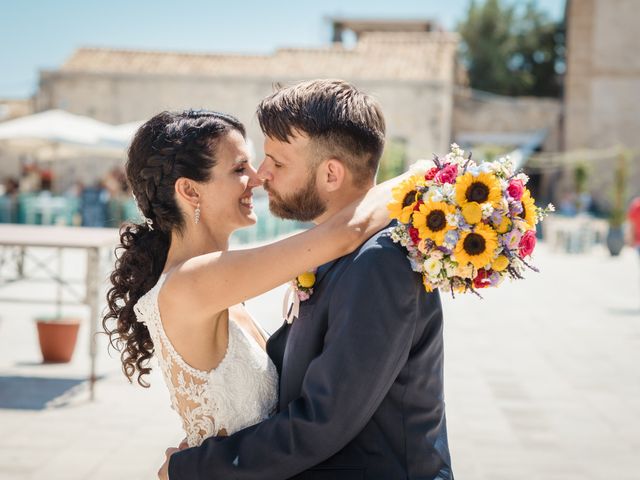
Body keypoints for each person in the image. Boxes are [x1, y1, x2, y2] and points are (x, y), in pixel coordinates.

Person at [160, 80, 453, 479]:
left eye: (277, 162)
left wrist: (196, 468)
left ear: (331, 173)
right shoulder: (333, 252)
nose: (261, 176)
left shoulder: (380, 262)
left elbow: (322, 421)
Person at [102, 107, 402, 454]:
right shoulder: (194, 280)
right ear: (190, 191)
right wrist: (424, 178)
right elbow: (348, 232)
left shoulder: (209, 281)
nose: (257, 179)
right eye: (239, 169)